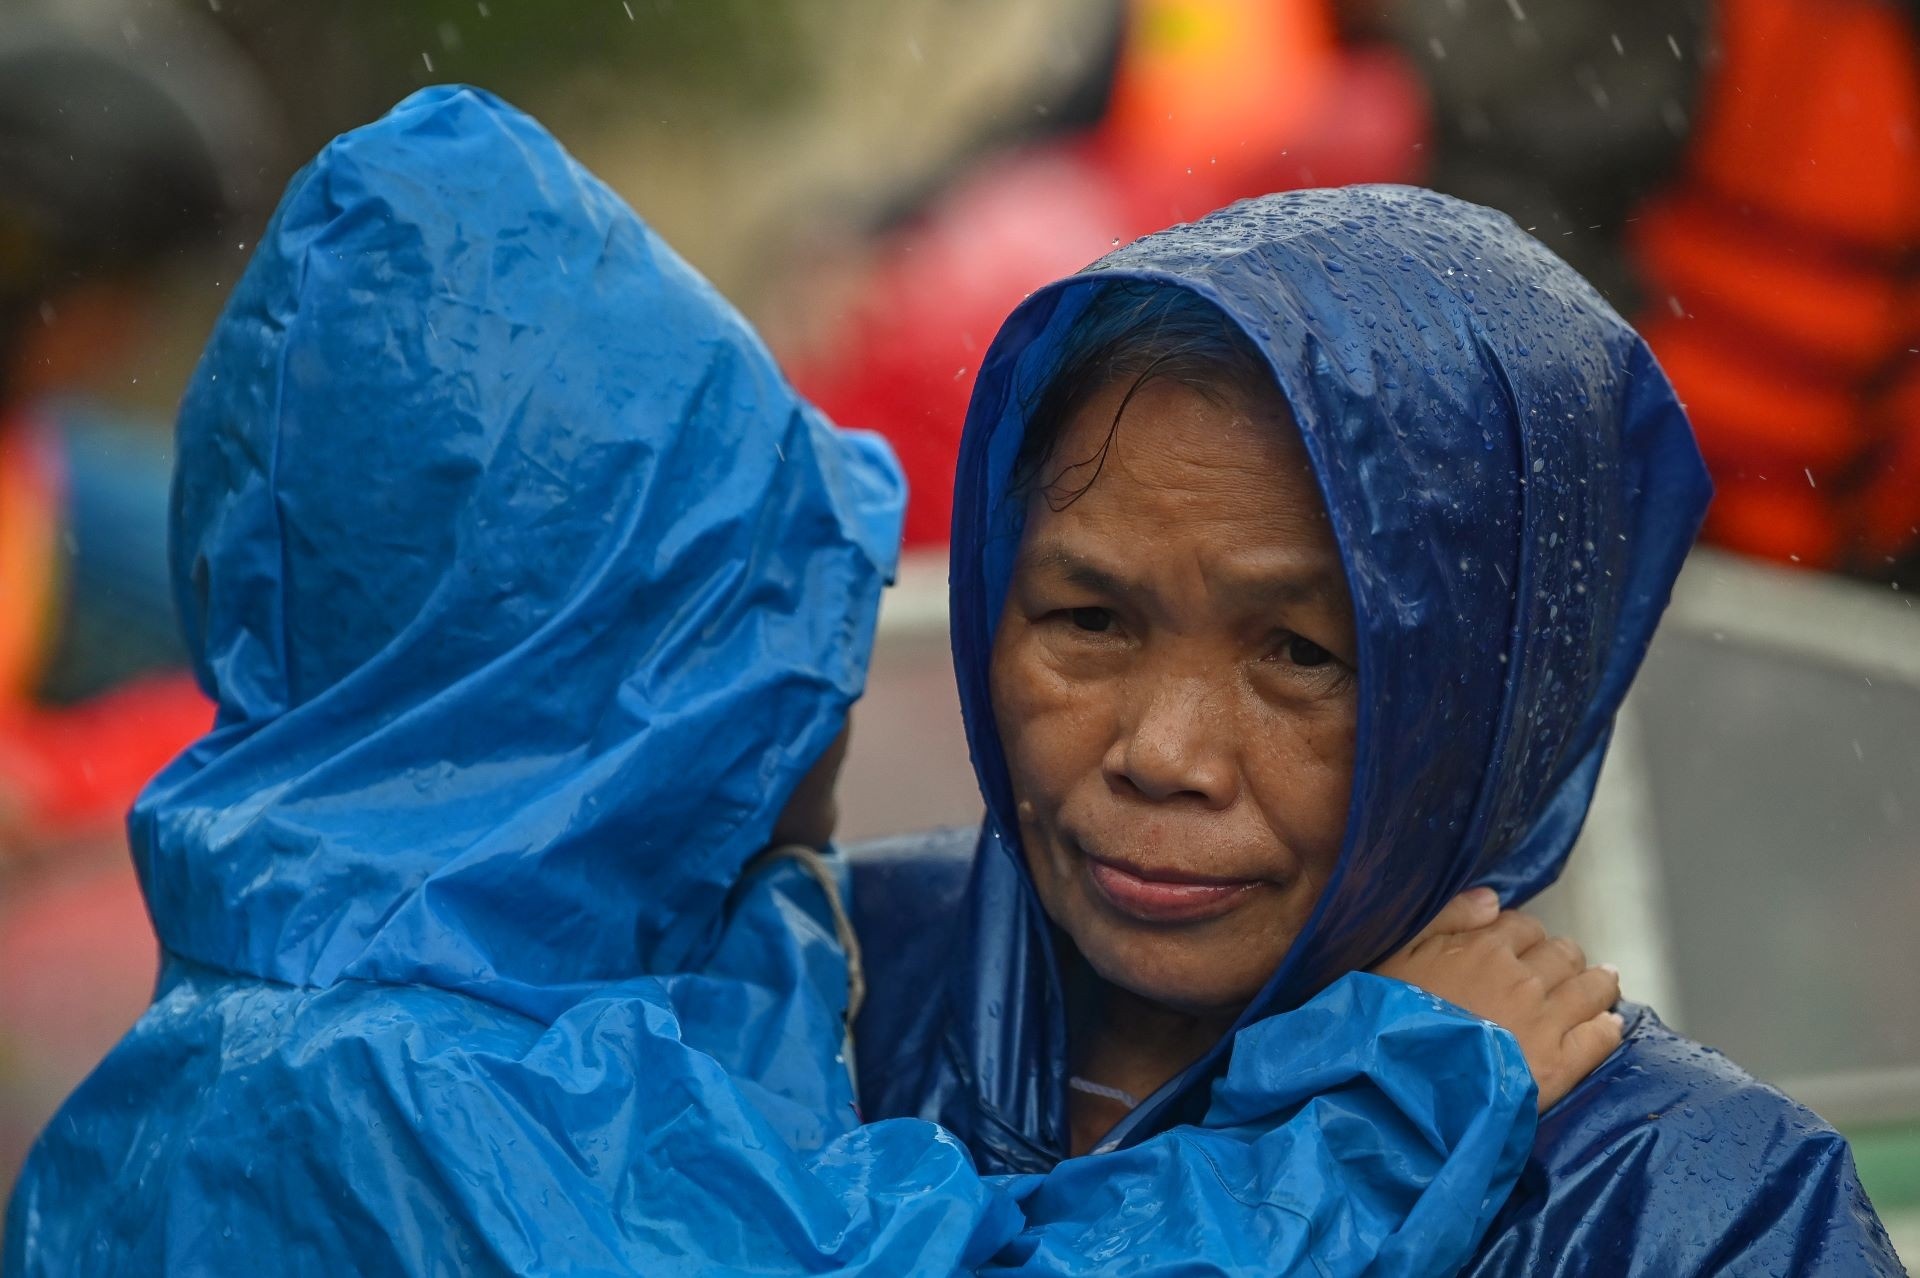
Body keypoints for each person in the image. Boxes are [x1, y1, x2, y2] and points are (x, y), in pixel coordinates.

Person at [8, 89, 1626, 1276]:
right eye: (778, 631)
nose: (836, 688)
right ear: (630, 709)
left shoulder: (287, 1022)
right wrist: (1407, 1092)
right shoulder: (413, 1099)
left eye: (1297, 649)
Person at [848, 185, 1907, 1273]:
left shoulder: (1689, 1214)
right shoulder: (798, 998)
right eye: (1088, 620)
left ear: (1489, 693)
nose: (1163, 755)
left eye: (1302, 654)